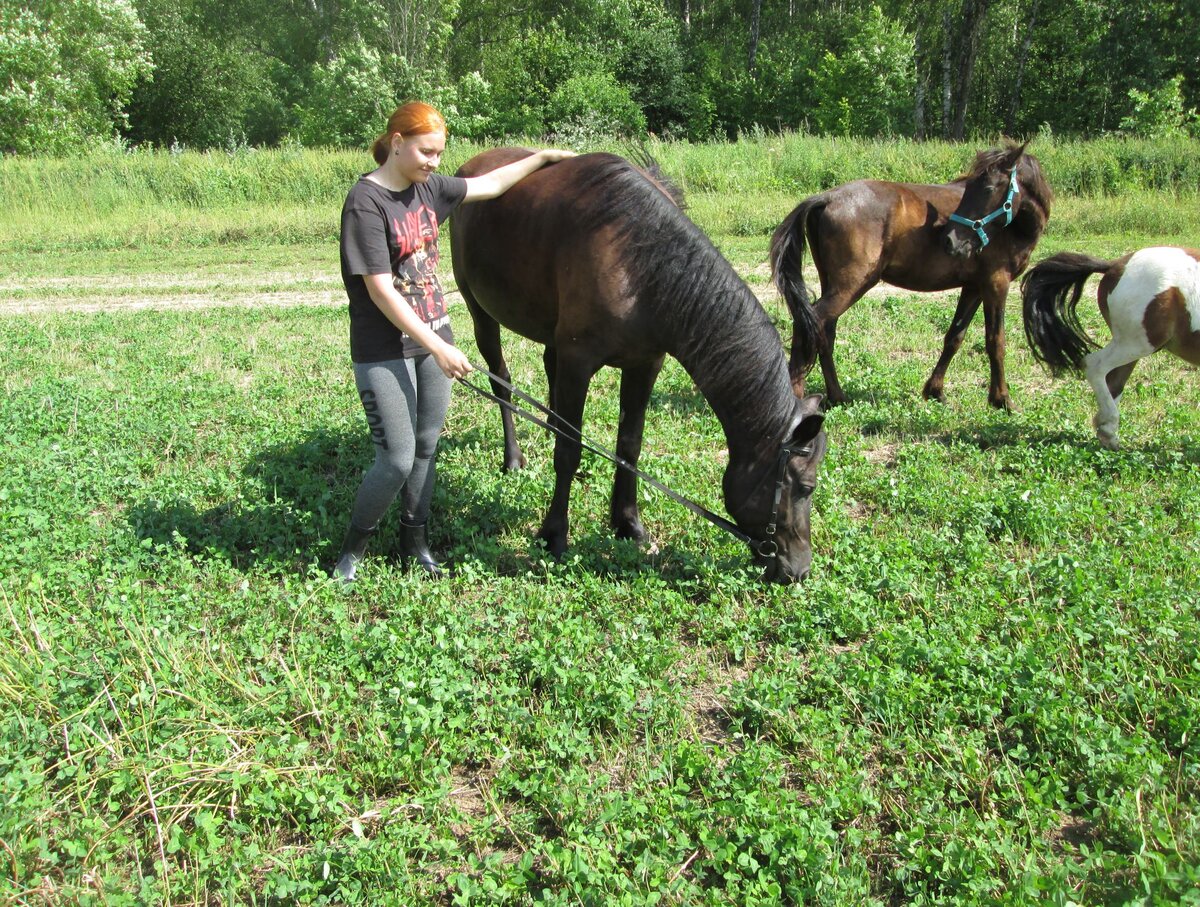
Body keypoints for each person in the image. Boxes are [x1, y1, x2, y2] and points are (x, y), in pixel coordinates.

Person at [333, 101, 575, 583]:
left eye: (440, 154)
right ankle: (352, 549)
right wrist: (439, 346)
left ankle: (414, 540)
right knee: (396, 457)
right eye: (426, 152)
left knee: (426, 447)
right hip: (385, 347)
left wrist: (543, 157)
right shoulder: (366, 202)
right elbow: (380, 290)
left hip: (432, 340)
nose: (434, 163)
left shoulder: (429, 190)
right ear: (396, 142)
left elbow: (490, 184)